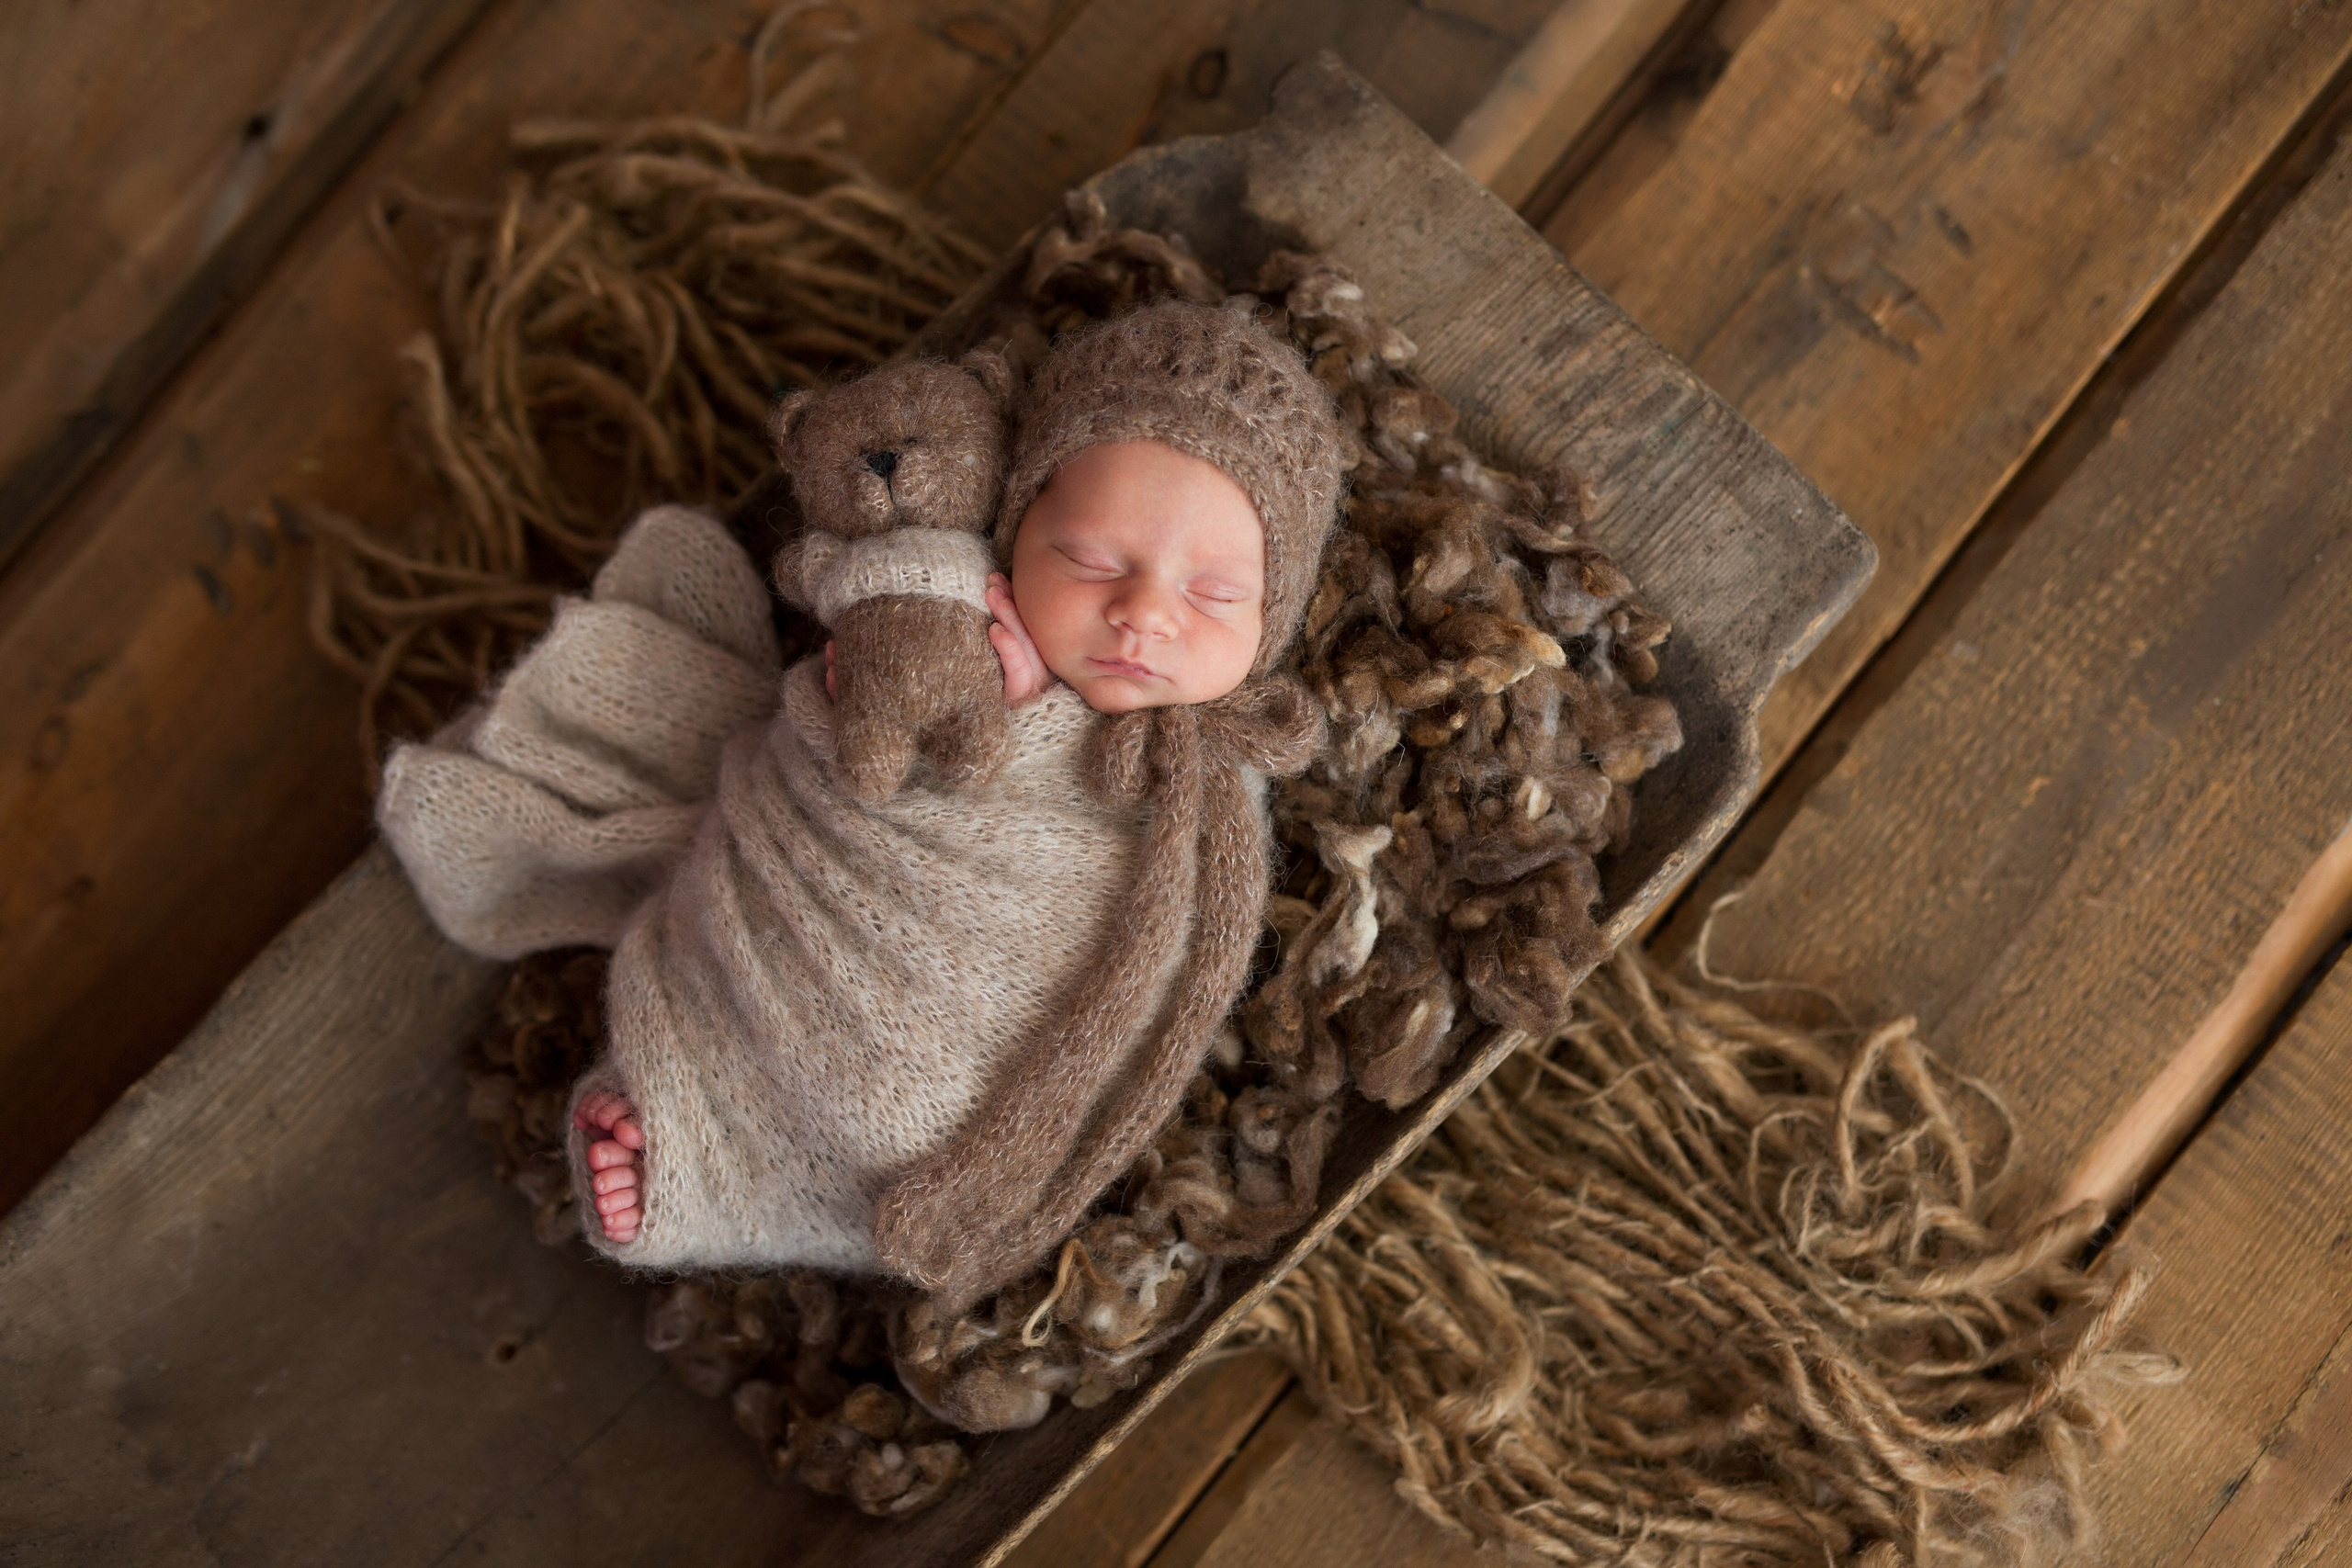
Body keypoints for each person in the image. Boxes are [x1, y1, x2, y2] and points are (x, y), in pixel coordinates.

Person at [382, 299, 1343, 1302]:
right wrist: (918, 684)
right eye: (1093, 560)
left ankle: (728, 1171)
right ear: (1015, 527)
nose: (1143, 612)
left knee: (914, 1105)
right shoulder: (944, 606)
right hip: (818, 920)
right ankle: (690, 1121)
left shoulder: (1217, 794)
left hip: (999, 1061)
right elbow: (847, 757)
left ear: (1269, 624)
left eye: (1215, 596)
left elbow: (1170, 960)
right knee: (731, 969)